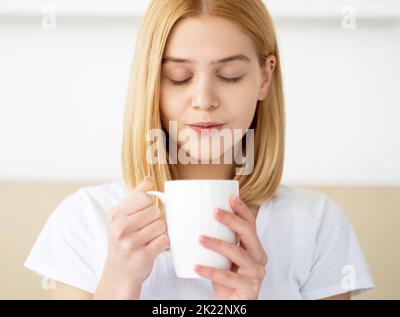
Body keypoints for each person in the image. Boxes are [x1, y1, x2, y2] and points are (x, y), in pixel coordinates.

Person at [24, 0, 374, 300]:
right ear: (151, 83)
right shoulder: (84, 220)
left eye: (231, 75)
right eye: (178, 77)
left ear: (265, 79)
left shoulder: (317, 225)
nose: (204, 100)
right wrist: (118, 283)